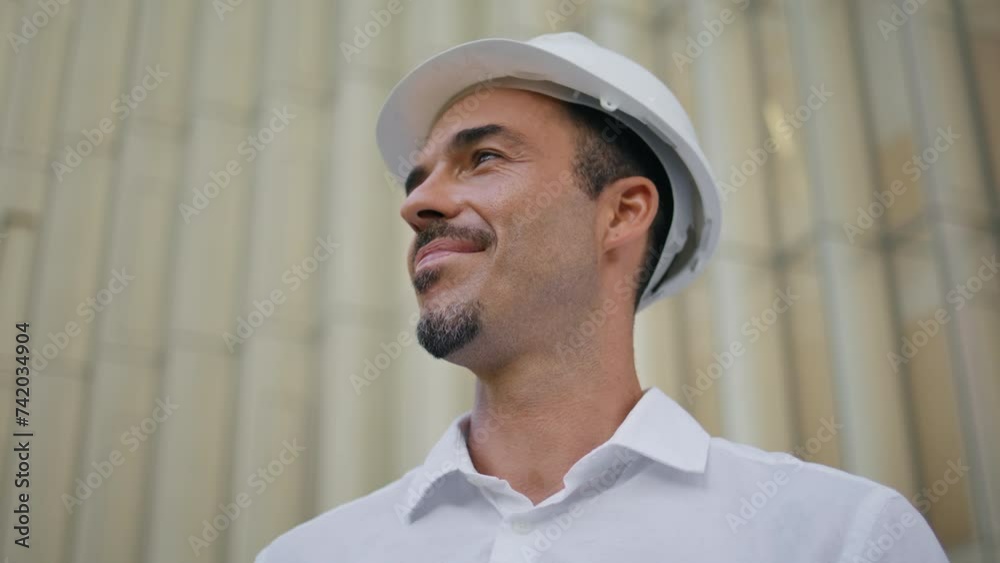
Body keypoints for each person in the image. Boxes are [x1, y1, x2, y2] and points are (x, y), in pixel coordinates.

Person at [256, 32, 948, 562]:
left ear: (621, 213)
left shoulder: (839, 538)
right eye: (417, 180)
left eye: (484, 157)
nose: (419, 204)